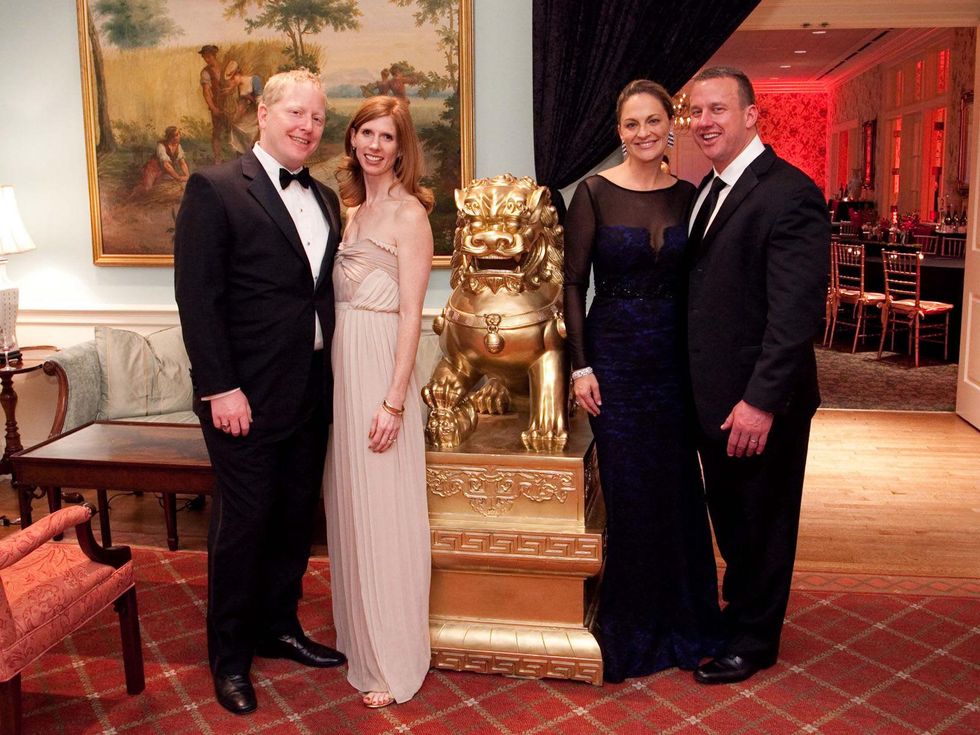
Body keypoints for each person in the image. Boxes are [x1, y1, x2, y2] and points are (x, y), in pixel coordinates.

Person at [174, 68, 345, 716]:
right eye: (295, 113)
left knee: (294, 520)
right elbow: (199, 299)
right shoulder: (215, 188)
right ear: (262, 113)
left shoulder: (326, 197)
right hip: (241, 397)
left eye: (317, 118)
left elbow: (316, 292)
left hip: (309, 390)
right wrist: (220, 387)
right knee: (241, 527)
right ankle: (229, 658)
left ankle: (280, 627)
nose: (307, 126)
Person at [563, 79, 723, 683]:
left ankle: (686, 621)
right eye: (632, 124)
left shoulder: (692, 196)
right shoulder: (594, 193)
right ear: (619, 132)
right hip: (615, 365)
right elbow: (574, 282)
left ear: (669, 124)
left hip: (677, 363)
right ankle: (631, 628)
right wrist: (581, 365)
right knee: (629, 494)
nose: (643, 133)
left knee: (680, 490)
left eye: (653, 121)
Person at [685, 67, 829, 685]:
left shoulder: (789, 192)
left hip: (759, 401)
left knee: (763, 522)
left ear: (751, 115)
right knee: (734, 519)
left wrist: (761, 402)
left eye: (718, 108)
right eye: (696, 112)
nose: (704, 121)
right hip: (714, 395)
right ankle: (738, 613)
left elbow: (795, 315)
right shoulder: (706, 189)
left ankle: (754, 640)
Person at [323, 95, 434, 709]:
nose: (374, 144)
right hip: (345, 371)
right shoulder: (351, 212)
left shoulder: (409, 214)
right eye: (366, 132)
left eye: (386, 136)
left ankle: (394, 658)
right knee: (353, 511)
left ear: (401, 147)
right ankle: (362, 638)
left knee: (386, 512)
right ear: (352, 139)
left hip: (382, 376)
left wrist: (394, 400)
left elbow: (412, 314)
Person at [134, 125, 189, 193]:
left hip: (163, 171)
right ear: (170, 137)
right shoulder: (161, 146)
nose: (178, 136)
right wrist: (178, 178)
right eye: (176, 135)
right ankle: (133, 196)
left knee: (168, 188)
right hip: (153, 170)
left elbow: (182, 163)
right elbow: (166, 165)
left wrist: (187, 176)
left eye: (178, 134)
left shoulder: (178, 146)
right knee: (147, 189)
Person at [199, 45, 227, 164]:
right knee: (217, 132)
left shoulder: (226, 67)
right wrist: (213, 108)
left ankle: (239, 158)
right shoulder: (206, 72)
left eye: (209, 56)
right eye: (204, 57)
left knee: (236, 131)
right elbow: (206, 92)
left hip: (232, 105)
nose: (206, 59)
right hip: (218, 105)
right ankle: (218, 160)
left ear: (214, 55)